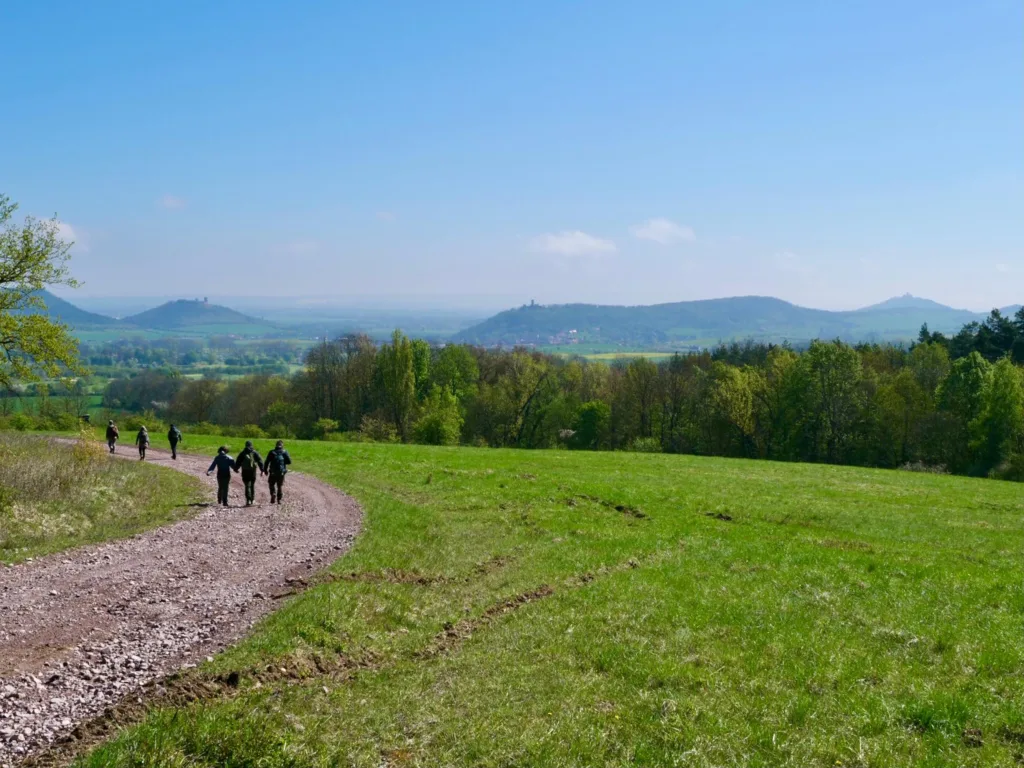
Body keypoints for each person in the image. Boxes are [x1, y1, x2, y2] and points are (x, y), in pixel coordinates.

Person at [235, 440, 264, 507]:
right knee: (252, 485)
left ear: (245, 445)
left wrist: (236, 469)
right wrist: (262, 470)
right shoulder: (255, 452)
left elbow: (238, 462)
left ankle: (248, 500)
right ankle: (252, 499)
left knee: (247, 485)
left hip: (245, 471)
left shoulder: (242, 453)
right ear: (251, 445)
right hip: (253, 471)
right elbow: (260, 461)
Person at [265, 440, 292, 504]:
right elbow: (289, 462)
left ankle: (273, 493)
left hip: (272, 472)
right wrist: (283, 462)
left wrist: (265, 470)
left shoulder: (271, 452)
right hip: (281, 472)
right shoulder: (284, 452)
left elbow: (267, 462)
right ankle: (279, 500)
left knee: (271, 484)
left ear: (276, 445)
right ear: (282, 445)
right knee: (279, 486)